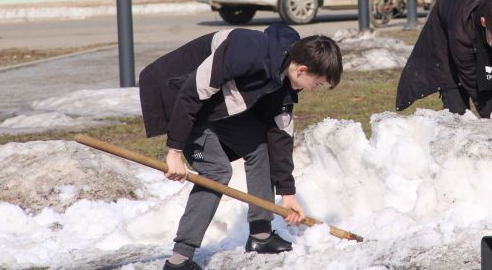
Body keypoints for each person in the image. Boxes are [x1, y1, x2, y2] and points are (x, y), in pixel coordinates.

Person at [138, 23, 343, 270]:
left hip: (216, 104)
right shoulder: (246, 51)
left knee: (261, 148)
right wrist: (175, 151)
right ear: (302, 69)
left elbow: (280, 138)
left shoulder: (284, 83)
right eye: (318, 83)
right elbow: (192, 92)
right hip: (177, 94)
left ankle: (260, 235)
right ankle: (179, 260)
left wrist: (287, 194)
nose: (315, 89)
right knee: (216, 171)